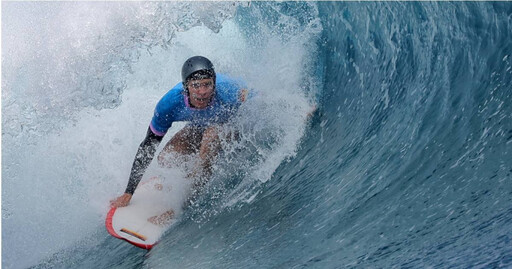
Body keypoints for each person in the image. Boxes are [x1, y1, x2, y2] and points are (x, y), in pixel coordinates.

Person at [110, 56, 249, 209]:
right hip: (200, 124)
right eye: (196, 85)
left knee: (210, 141)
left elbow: (262, 102)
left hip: (232, 124)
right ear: (186, 87)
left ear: (214, 84)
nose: (202, 92)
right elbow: (148, 146)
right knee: (167, 158)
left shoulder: (229, 91)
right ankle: (188, 181)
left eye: (207, 85)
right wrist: (129, 192)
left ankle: (180, 207)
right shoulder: (169, 104)